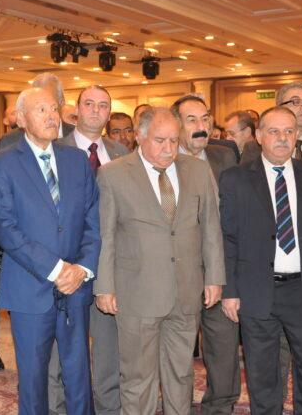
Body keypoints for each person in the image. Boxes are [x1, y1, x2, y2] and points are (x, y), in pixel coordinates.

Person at [95, 106, 225, 415]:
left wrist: (214, 277)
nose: (169, 149)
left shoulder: (197, 170)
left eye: (174, 140)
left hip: (186, 291)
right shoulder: (112, 174)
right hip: (136, 294)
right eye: (159, 140)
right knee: (138, 378)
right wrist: (104, 287)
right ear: (139, 137)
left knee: (181, 374)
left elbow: (210, 227)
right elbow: (105, 236)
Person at [0, 87, 100, 415]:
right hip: (29, 288)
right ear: (21, 119)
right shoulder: (2, 163)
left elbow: (93, 219)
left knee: (79, 375)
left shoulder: (76, 160)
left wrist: (81, 268)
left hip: (76, 287)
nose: (52, 116)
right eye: (41, 110)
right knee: (33, 379)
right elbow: (5, 228)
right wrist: (57, 269)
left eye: (54, 109)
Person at [220, 106, 302, 415]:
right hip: (256, 289)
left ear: (296, 136)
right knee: (261, 374)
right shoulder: (234, 179)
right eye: (273, 131)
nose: (282, 138)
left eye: (288, 132)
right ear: (258, 136)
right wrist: (230, 290)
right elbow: (227, 238)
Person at [51, 85, 129, 415]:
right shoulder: (54, 149)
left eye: (103, 105)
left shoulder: (123, 153)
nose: (96, 110)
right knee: (61, 352)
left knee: (109, 349)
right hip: (68, 267)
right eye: (89, 104)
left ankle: (109, 408)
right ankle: (57, 409)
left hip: (112, 267)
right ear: (76, 109)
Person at [171, 94, 240, 414]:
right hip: (179, 272)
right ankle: (178, 405)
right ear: (176, 125)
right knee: (179, 349)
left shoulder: (225, 156)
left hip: (221, 268)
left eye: (205, 118)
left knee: (224, 346)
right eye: (192, 120)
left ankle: (221, 406)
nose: (201, 126)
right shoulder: (164, 160)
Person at [0, 72, 75, 149]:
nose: (49, 115)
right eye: (41, 109)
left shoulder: (76, 135)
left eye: (53, 108)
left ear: (62, 102)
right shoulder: (11, 139)